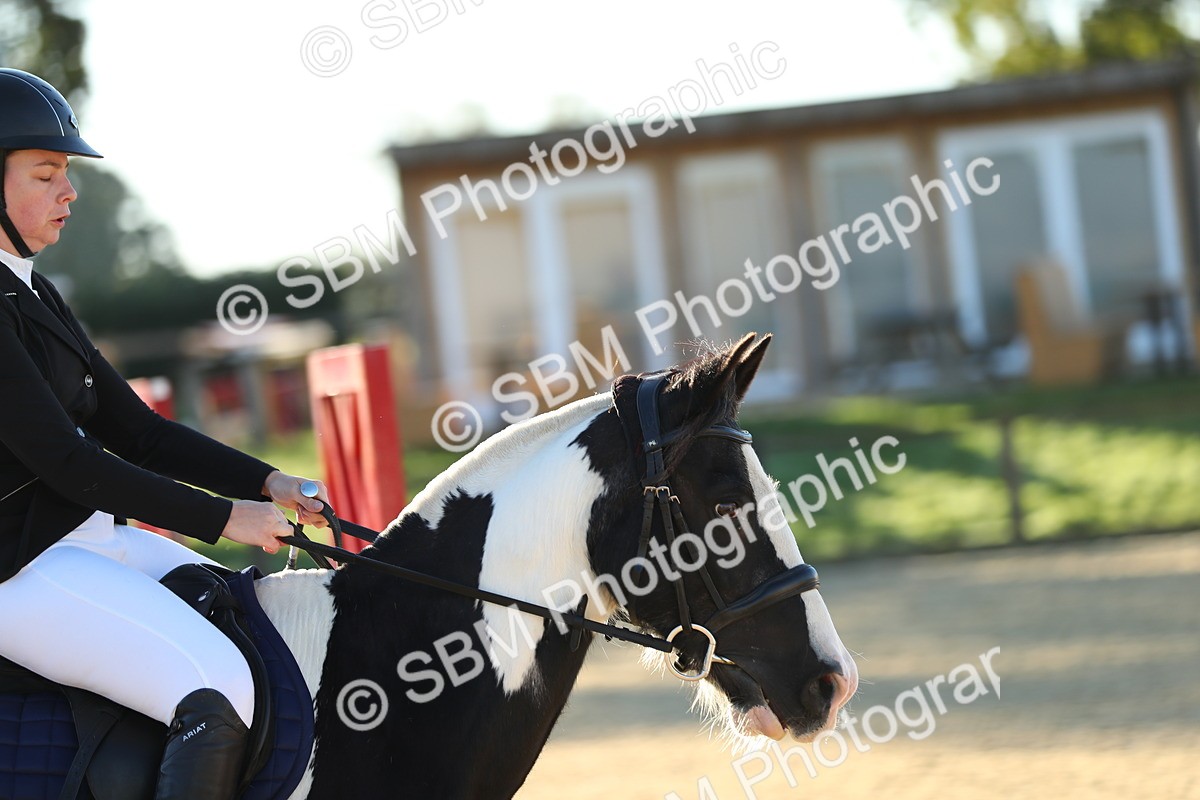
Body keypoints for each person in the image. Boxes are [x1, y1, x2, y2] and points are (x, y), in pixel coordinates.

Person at [0, 67, 331, 800]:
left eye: (66, 175)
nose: (69, 192)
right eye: (47, 173)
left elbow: (139, 433)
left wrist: (264, 481)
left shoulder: (32, 288)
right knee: (215, 691)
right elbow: (67, 461)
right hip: (18, 570)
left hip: (86, 540)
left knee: (247, 617)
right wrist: (224, 518)